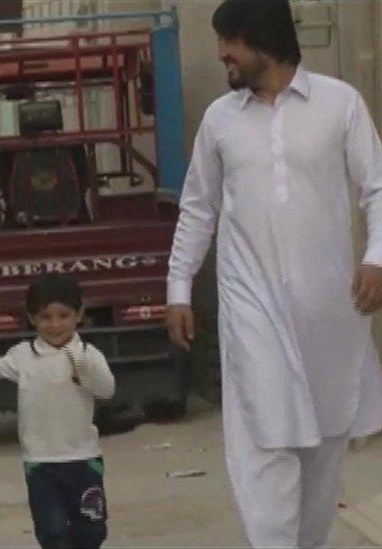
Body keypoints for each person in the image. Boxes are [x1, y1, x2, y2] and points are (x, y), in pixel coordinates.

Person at [165, 1, 382, 546]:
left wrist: (377, 258)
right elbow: (198, 208)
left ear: (265, 40)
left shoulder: (340, 104)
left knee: (326, 441)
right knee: (265, 437)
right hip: (251, 306)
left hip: (331, 308)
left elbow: (378, 188)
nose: (222, 55)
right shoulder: (220, 120)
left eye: (231, 42)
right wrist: (178, 288)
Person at [0, 274, 112, 549]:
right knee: (52, 532)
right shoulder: (24, 355)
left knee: (92, 531)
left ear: (79, 314)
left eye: (64, 315)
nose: (55, 324)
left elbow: (107, 390)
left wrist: (86, 373)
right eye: (45, 317)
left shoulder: (88, 354)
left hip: (84, 461)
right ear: (32, 318)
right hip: (40, 464)